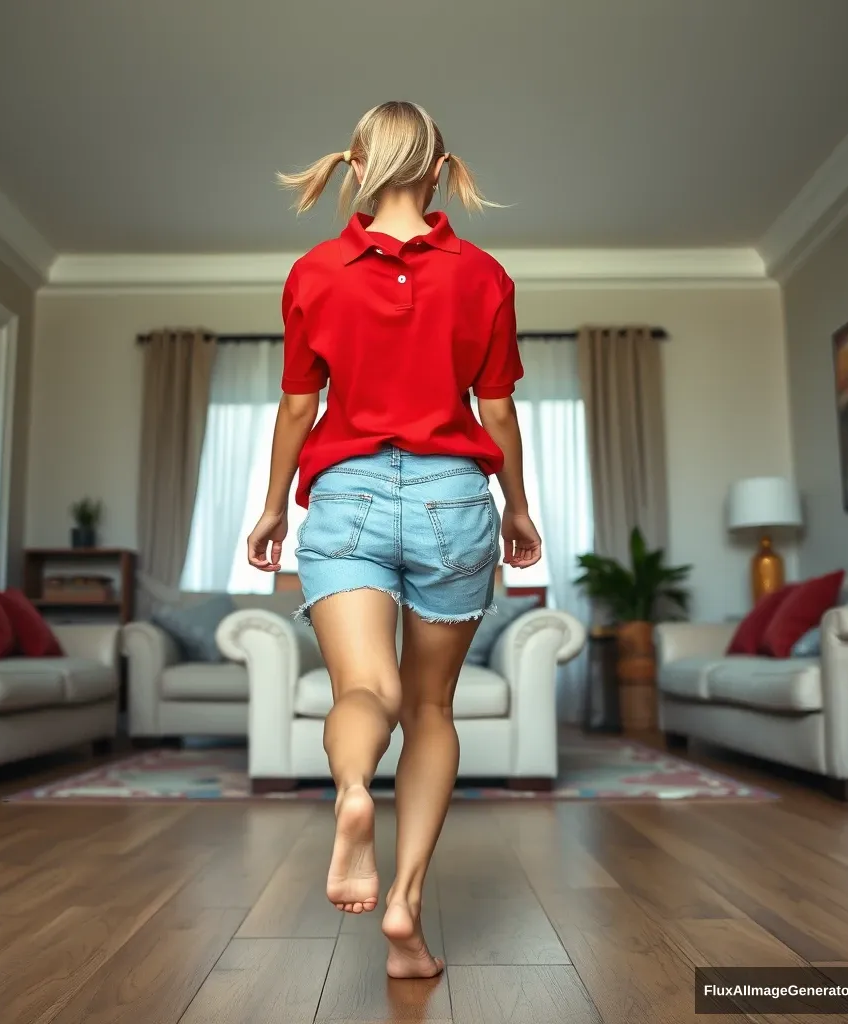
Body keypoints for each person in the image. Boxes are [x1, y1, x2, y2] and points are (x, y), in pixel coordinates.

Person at [246, 100, 542, 979]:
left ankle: (349, 793)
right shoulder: (484, 273)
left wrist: (271, 507)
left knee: (365, 690)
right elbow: (497, 409)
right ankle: (405, 907)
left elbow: (301, 405)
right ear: (443, 167)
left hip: (346, 496)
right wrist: (519, 507)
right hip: (456, 495)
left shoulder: (312, 271)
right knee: (431, 710)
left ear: (358, 164)